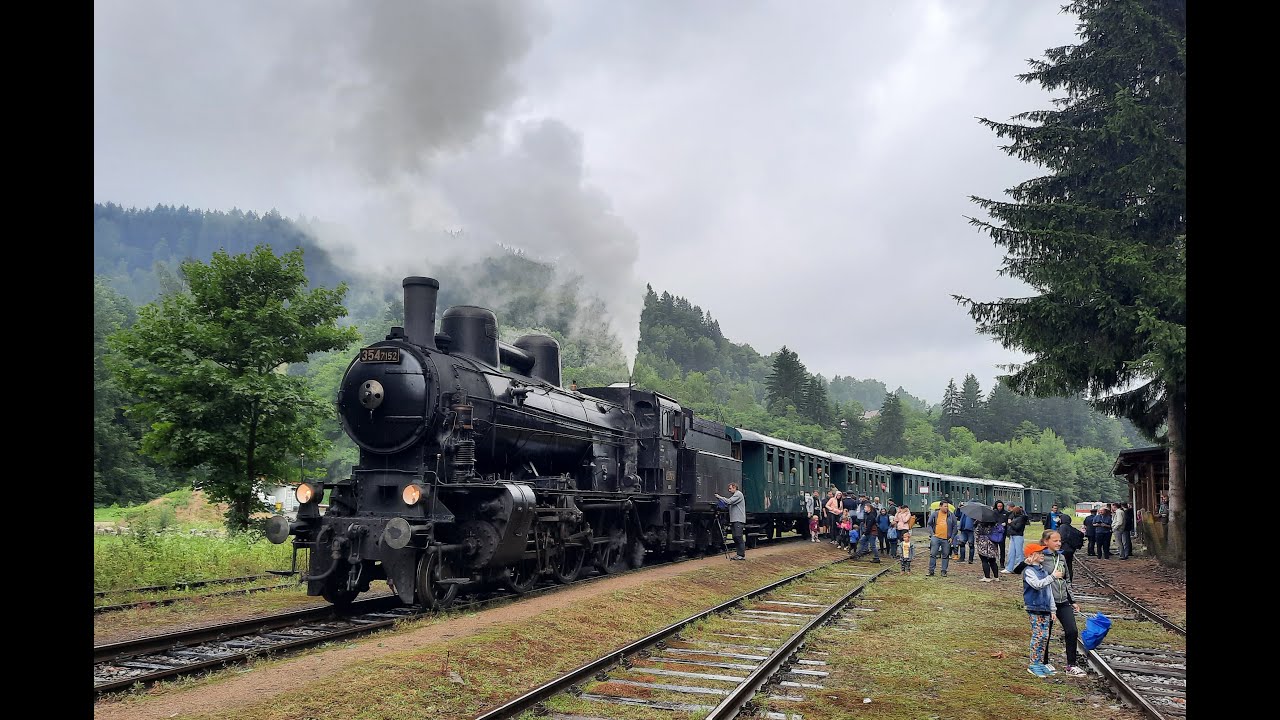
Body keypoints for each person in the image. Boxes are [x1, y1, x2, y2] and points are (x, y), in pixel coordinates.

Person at [1040, 530, 1087, 676]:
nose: (1059, 543)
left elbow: (1067, 580)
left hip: (1062, 601)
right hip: (1047, 602)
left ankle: (1071, 665)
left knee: (1072, 631)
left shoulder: (1061, 557)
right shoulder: (1040, 558)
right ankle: (1044, 662)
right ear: (1045, 541)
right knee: (1045, 633)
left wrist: (1072, 600)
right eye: (1055, 541)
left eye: (1059, 541)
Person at [1019, 542, 1059, 678]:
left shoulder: (1043, 571)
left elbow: (1049, 592)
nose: (1042, 555)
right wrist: (1052, 577)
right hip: (1034, 607)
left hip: (1045, 608)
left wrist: (1053, 609)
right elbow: (1037, 585)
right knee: (1038, 635)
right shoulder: (1029, 571)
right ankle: (1033, 663)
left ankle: (1040, 662)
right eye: (1039, 553)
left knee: (1044, 636)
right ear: (1031, 556)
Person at [714, 483, 747, 560]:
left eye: (730, 488)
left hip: (738, 519)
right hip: (734, 520)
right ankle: (739, 554)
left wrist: (719, 497)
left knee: (738, 537)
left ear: (734, 487)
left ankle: (741, 555)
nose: (729, 490)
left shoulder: (738, 494)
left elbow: (729, 501)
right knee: (735, 537)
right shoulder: (735, 495)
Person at [926, 499, 957, 576]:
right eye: (945, 506)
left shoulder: (951, 515)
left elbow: (955, 526)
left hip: (946, 539)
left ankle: (944, 571)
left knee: (945, 555)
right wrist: (932, 534)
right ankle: (931, 571)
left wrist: (952, 537)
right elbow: (929, 524)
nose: (946, 508)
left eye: (947, 506)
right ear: (940, 506)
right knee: (933, 554)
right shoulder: (935, 514)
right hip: (936, 537)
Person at [1057, 514, 1084, 582]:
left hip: (1063, 550)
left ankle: (1063, 579)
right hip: (1071, 550)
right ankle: (1069, 579)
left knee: (1062, 565)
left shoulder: (1063, 527)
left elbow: (1061, 537)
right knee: (1069, 566)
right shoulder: (1071, 527)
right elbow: (1080, 534)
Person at [1004, 505, 1029, 574]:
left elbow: (1018, 528)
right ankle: (1009, 568)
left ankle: (1019, 568)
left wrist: (1010, 523)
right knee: (1011, 553)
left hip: (1018, 536)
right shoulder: (1015, 517)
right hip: (1013, 536)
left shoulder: (1021, 518)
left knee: (1019, 553)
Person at [992, 500, 1009, 568]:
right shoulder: (994, 512)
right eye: (998, 506)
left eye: (1001, 506)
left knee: (1002, 548)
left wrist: (1005, 524)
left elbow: (1008, 521)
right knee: (994, 547)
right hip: (995, 532)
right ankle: (994, 561)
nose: (1000, 507)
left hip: (1002, 532)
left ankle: (1002, 562)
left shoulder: (1005, 513)